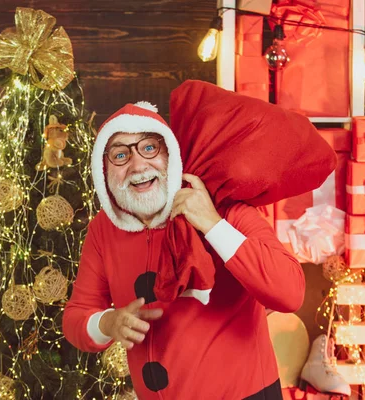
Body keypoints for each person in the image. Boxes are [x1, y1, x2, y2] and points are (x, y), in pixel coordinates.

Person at [63, 101, 306, 400]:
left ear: (170, 155)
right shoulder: (103, 230)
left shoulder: (223, 207)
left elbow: (290, 292)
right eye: (121, 155)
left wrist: (212, 224)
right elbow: (76, 316)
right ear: (104, 172)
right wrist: (108, 322)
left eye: (149, 148)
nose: (138, 166)